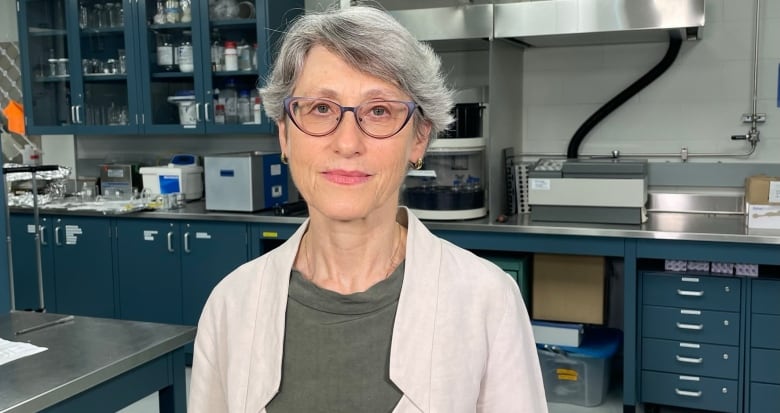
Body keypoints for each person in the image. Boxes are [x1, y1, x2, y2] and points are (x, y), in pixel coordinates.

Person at [189, 5, 547, 412]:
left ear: (419, 139)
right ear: (285, 135)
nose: (347, 143)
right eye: (321, 108)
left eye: (378, 111)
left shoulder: (487, 301)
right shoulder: (231, 305)